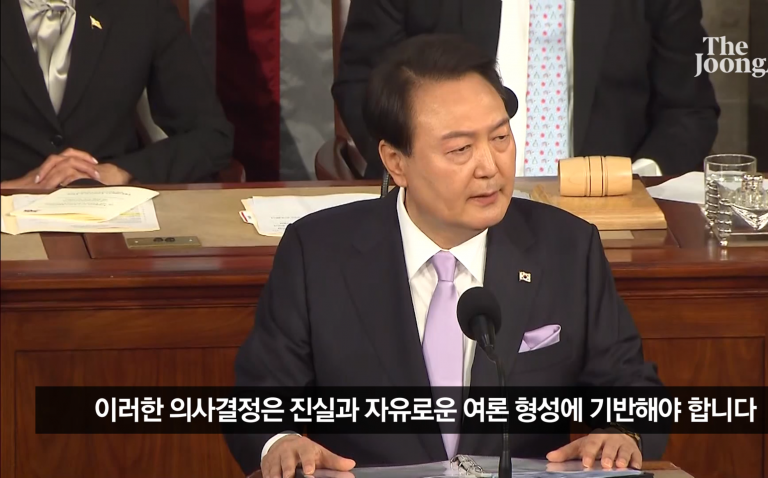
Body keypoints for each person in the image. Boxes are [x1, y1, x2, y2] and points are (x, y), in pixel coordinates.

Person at [226, 35, 665, 478]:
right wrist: (280, 442)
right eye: (460, 149)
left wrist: (622, 433)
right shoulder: (317, 252)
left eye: (500, 137)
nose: (490, 166)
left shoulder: (567, 248)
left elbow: (634, 390)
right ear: (396, 162)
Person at [332, 0, 719, 180]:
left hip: (605, 221)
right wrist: (425, 174)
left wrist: (634, 183)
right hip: (441, 211)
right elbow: (364, 85)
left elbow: (687, 111)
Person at [0, 0, 233, 189]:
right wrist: (11, 188)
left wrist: (123, 171)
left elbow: (211, 136)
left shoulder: (140, 7)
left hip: (114, 211)